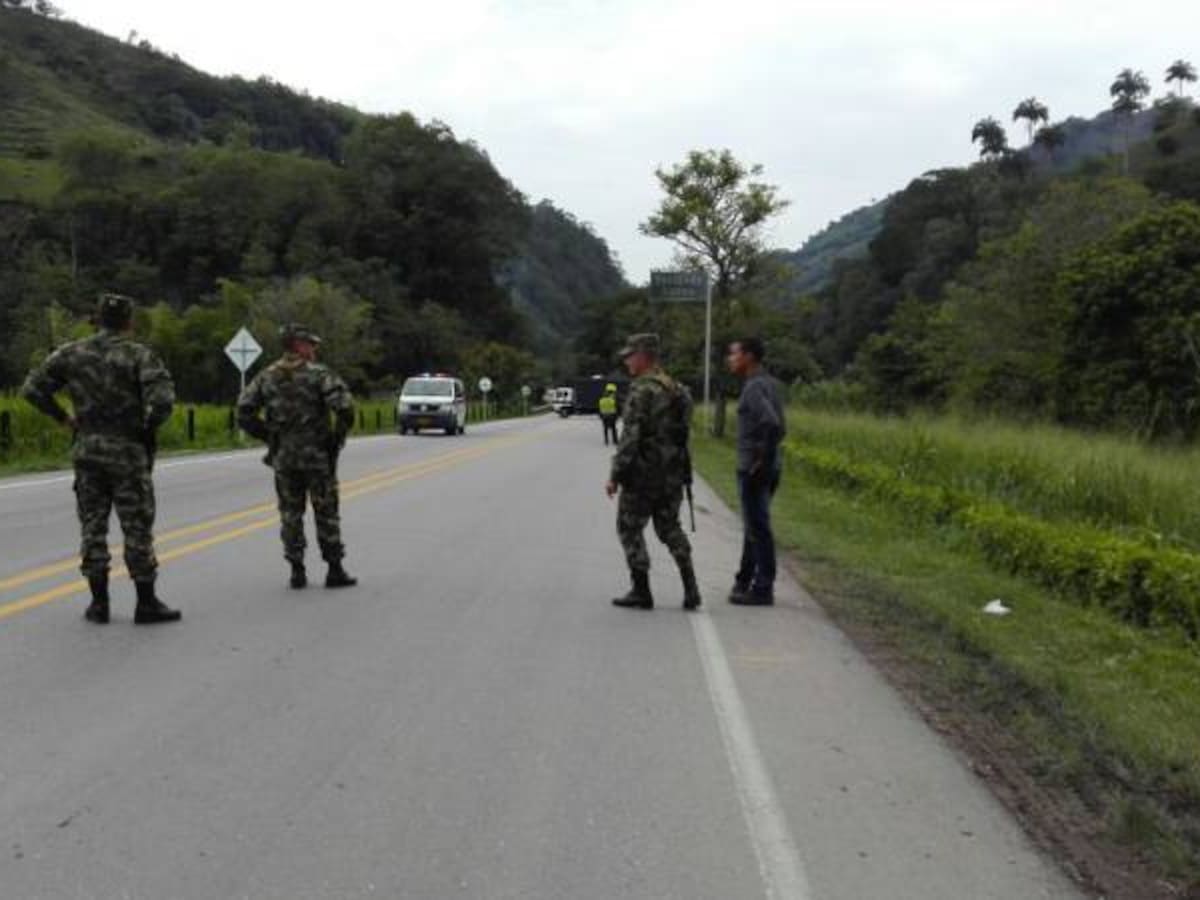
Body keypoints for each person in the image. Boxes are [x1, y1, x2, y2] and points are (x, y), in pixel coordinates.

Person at [21, 293, 181, 625]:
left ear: (97, 319)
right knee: (136, 527)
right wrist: (146, 428)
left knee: (93, 527)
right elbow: (162, 401)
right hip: (127, 451)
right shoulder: (139, 355)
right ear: (129, 321)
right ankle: (146, 603)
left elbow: (33, 388)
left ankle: (99, 604)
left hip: (88, 449)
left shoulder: (71, 353)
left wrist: (65, 419)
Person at [237, 324, 358, 590]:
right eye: (310, 344)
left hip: (284, 457)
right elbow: (346, 408)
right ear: (298, 345)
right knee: (325, 510)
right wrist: (335, 438)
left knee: (290, 513)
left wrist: (269, 436)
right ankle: (334, 568)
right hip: (317, 456)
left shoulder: (266, 376)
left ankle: (297, 570)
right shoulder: (319, 374)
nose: (314, 349)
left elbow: (244, 412)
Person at [606, 334, 701, 611]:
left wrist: (615, 475)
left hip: (642, 477)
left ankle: (641, 590)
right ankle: (691, 588)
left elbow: (630, 439)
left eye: (630, 355)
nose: (626, 361)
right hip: (672, 474)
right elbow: (682, 435)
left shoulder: (641, 391)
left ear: (644, 356)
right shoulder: (678, 390)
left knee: (629, 527)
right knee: (670, 528)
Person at [726, 336, 786, 606]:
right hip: (770, 467)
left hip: (754, 469)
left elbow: (772, 424)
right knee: (754, 526)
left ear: (749, 357)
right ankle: (744, 579)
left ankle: (763, 588)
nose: (730, 359)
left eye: (734, 354)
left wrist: (760, 459)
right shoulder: (770, 384)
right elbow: (780, 426)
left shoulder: (753, 388)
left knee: (758, 528)